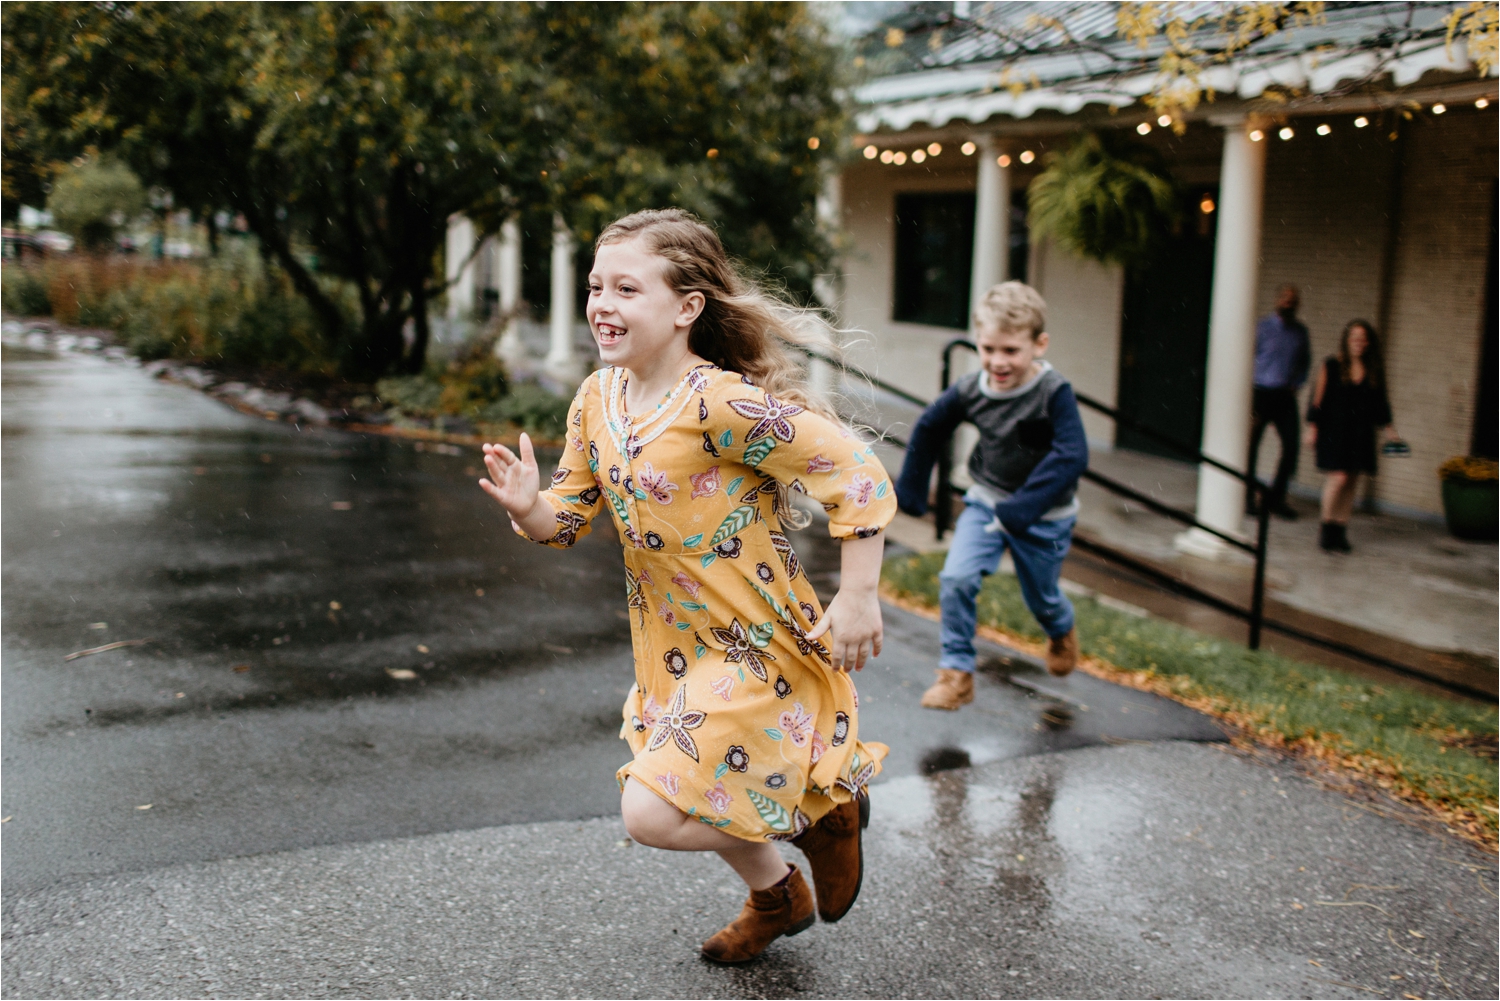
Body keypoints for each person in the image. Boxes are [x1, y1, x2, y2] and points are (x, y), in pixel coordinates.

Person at [477, 209, 895, 964]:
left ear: (686, 307)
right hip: (672, 648)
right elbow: (566, 519)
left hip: (756, 640)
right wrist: (530, 506)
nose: (602, 302)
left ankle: (810, 820)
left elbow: (854, 471)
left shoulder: (721, 404)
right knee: (700, 788)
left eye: (626, 287)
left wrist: (859, 593)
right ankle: (778, 895)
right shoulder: (596, 402)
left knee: (651, 810)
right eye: (596, 285)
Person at [894, 281, 1089, 710]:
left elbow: (1073, 455)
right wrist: (911, 490)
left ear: (1039, 345)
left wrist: (1022, 509)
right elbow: (929, 427)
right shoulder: (971, 390)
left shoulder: (1053, 393)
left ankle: (1060, 628)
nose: (998, 362)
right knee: (956, 577)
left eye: (1011, 351)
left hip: (1046, 515)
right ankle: (956, 673)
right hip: (987, 500)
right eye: (988, 349)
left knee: (1042, 598)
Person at [1303, 319, 1398, 552]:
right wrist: (1311, 427)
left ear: (1368, 343)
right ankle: (1326, 529)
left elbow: (1380, 403)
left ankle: (1340, 531)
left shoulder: (1373, 370)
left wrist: (1389, 430)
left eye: (1363, 338)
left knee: (1351, 482)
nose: (1358, 342)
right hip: (1334, 431)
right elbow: (1317, 399)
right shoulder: (1331, 365)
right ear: (1347, 340)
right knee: (1338, 479)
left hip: (1360, 433)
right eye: (1354, 337)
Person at [1247, 284, 1312, 519]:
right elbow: (1247, 356)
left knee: (1291, 447)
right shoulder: (1262, 328)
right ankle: (1247, 499)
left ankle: (1276, 499)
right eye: (1285, 297)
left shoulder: (1300, 332)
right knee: (1251, 446)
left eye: (1293, 299)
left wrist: (1298, 382)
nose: (1289, 302)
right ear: (1277, 300)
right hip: (1260, 393)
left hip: (1284, 395)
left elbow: (1305, 362)